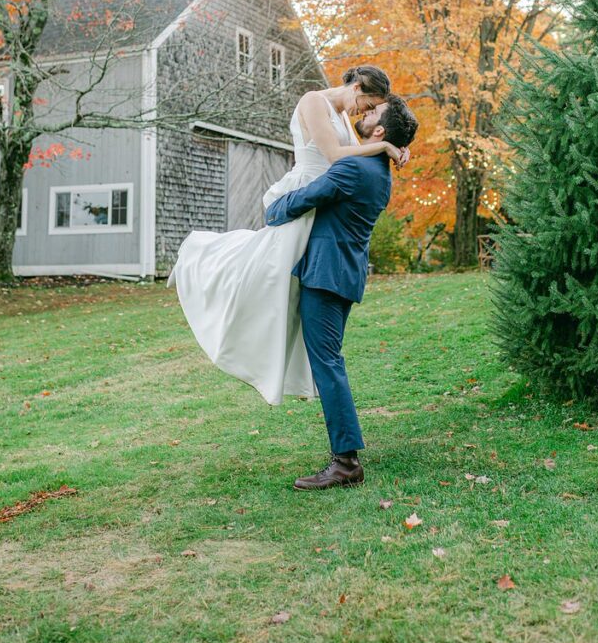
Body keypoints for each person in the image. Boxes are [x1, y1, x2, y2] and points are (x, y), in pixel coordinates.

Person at [168, 66, 409, 405]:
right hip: (305, 193)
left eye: (373, 110)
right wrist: (383, 144)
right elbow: (334, 156)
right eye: (369, 104)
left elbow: (359, 155)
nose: (366, 112)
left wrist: (393, 146)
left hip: (324, 202)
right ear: (357, 87)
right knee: (263, 275)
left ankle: (289, 365)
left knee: (290, 293)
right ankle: (200, 263)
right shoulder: (314, 102)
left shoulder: (344, 118)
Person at [265, 95, 419, 490]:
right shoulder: (376, 168)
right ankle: (345, 455)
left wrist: (273, 208)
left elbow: (302, 201)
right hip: (342, 274)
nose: (364, 114)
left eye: (373, 114)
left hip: (327, 276)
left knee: (328, 363)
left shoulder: (353, 168)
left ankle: (346, 461)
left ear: (380, 131)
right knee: (329, 360)